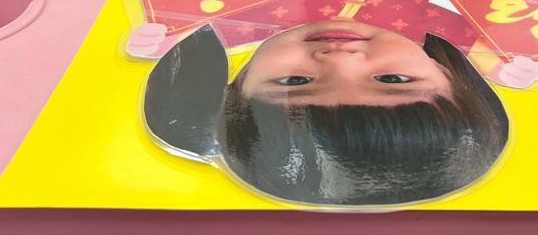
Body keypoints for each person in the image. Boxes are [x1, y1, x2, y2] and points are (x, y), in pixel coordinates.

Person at [142, 21, 510, 207]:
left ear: (233, 88)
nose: (341, 58)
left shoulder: (215, 16)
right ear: (450, 73)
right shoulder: (471, 20)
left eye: (295, 81)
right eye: (393, 80)